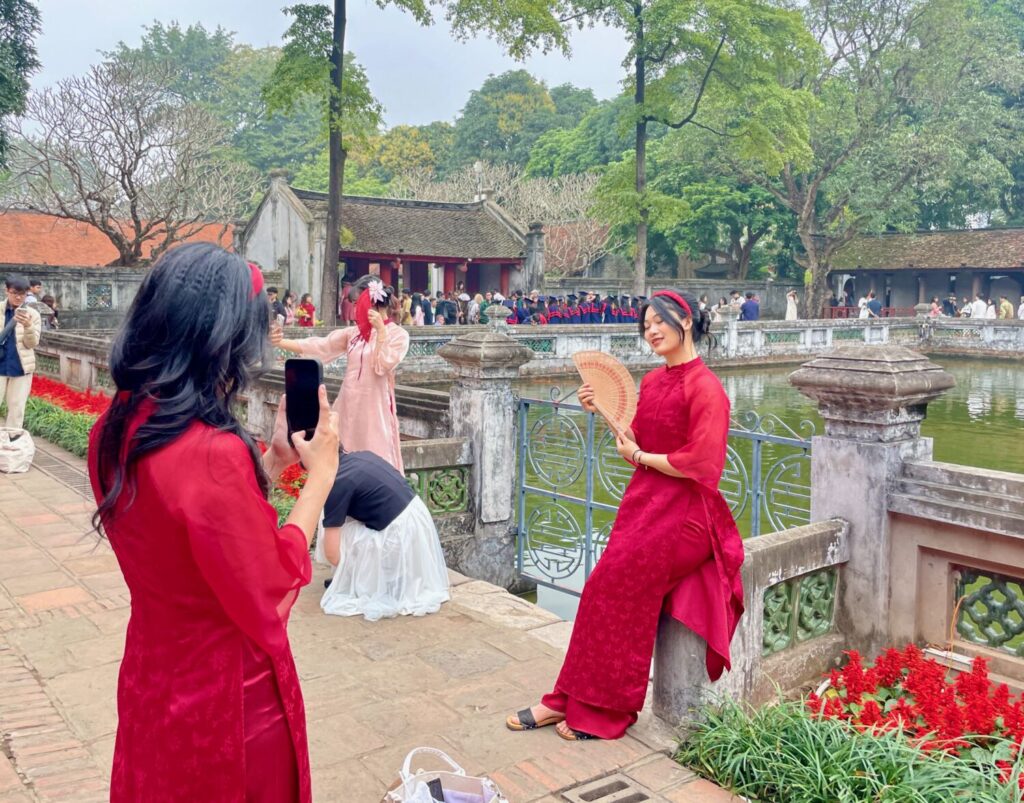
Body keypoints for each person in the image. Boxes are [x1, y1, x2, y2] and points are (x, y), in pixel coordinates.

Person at [88, 243, 340, 802]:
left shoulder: (116, 426)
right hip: (229, 694)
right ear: (220, 342)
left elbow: (192, 534)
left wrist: (272, 461)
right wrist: (320, 475)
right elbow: (269, 587)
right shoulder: (211, 453)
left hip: (154, 671)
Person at [506, 288, 743, 741]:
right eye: (646, 324)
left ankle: (607, 711)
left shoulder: (706, 388)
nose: (651, 330)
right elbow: (634, 440)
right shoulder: (654, 382)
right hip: (646, 501)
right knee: (599, 587)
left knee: (618, 588)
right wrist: (604, 413)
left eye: (660, 321)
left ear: (686, 321)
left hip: (688, 514)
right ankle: (566, 698)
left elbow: (701, 463)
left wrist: (640, 457)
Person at [274, 278, 409, 472]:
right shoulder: (353, 333)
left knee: (376, 464)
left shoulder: (398, 335)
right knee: (341, 462)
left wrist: (380, 332)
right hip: (347, 405)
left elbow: (382, 366)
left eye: (356, 304)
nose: (354, 310)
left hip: (375, 409)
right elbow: (320, 345)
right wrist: (280, 342)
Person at [317, 449, 450, 620]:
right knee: (339, 522)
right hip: (416, 525)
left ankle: (365, 584)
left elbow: (332, 553)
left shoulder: (337, 481)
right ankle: (377, 577)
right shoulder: (362, 456)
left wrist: (345, 573)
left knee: (331, 529)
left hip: (399, 535)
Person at [1, 275, 42, 432]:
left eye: (22, 294)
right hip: (0, 364)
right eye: (14, 293)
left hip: (20, 366)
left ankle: (12, 445)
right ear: (7, 291)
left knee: (17, 410)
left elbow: (32, 343)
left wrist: (28, 326)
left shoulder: (33, 315)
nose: (18, 297)